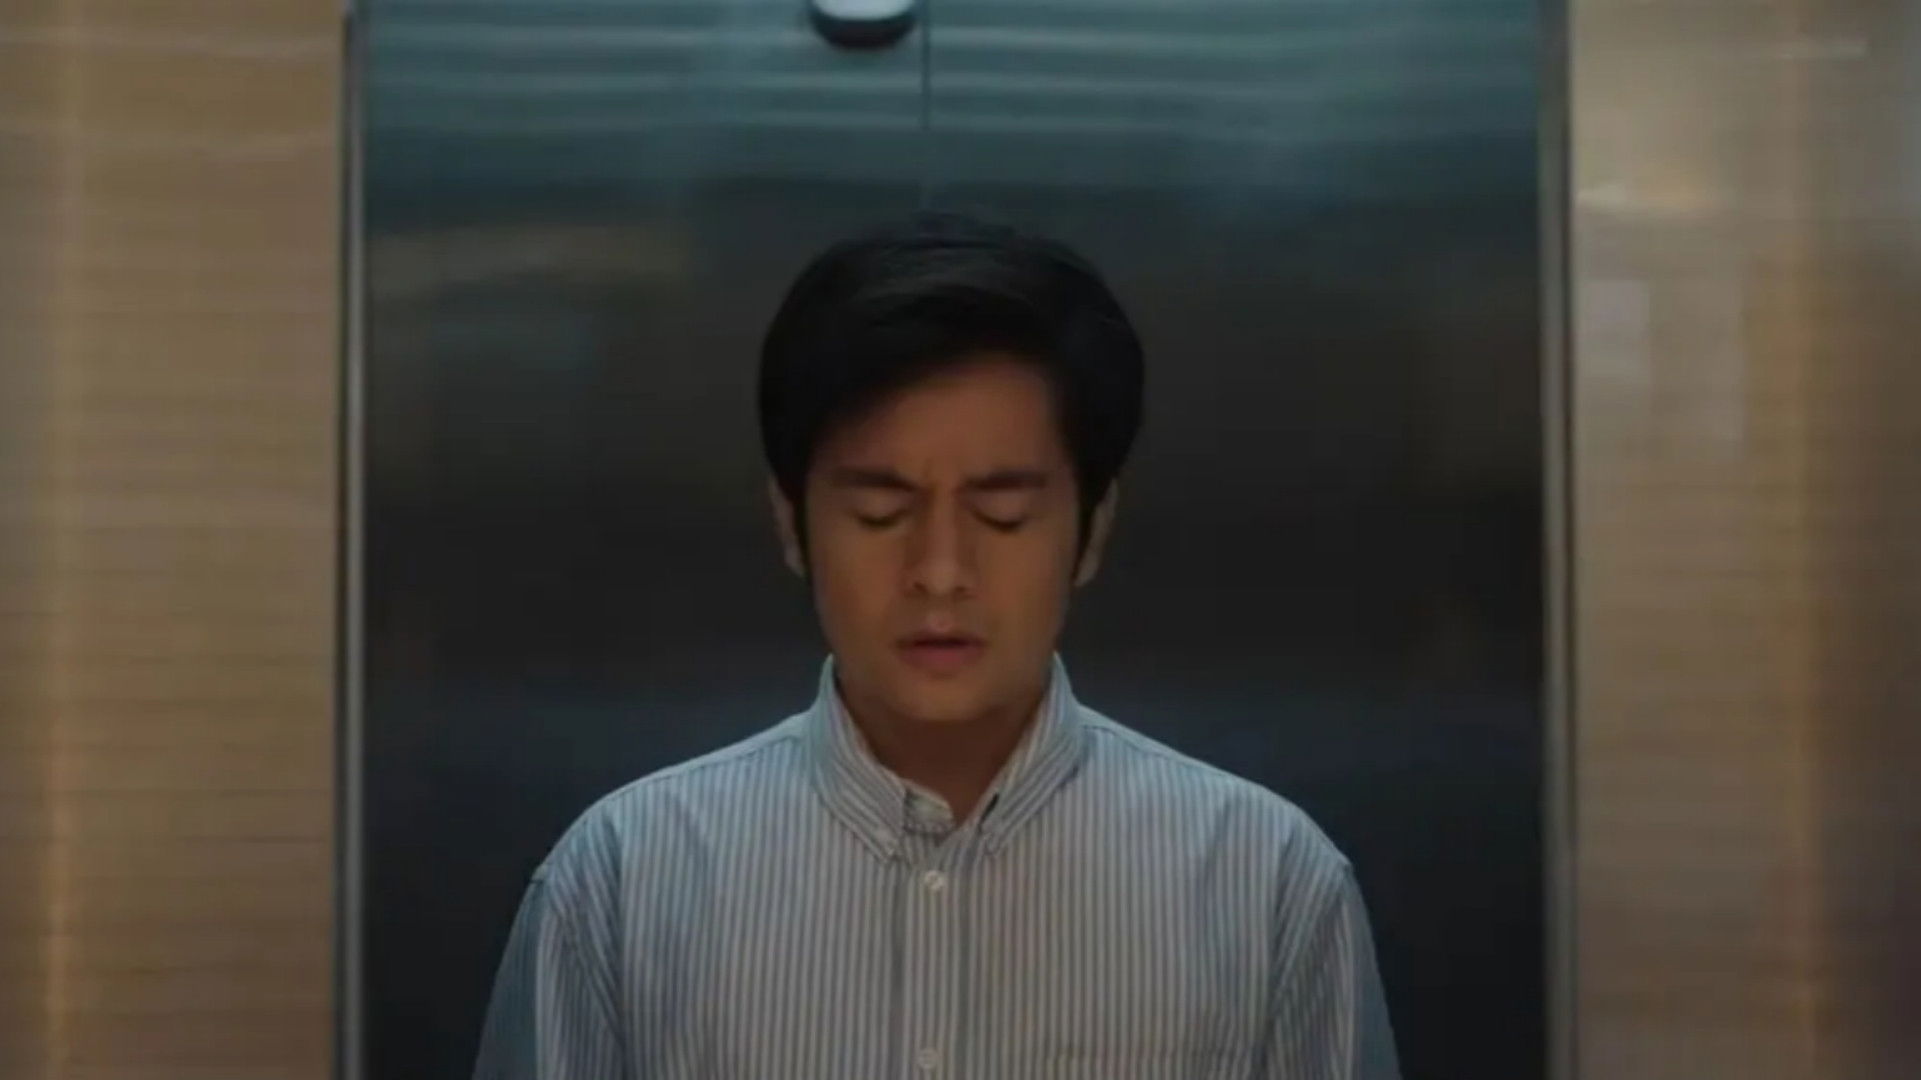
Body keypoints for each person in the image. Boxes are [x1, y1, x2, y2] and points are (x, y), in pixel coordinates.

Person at [473, 212, 1400, 1079]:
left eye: (1004, 513)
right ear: (791, 523)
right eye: (880, 511)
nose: (940, 571)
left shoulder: (1263, 881)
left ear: (1092, 529)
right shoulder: (625, 878)